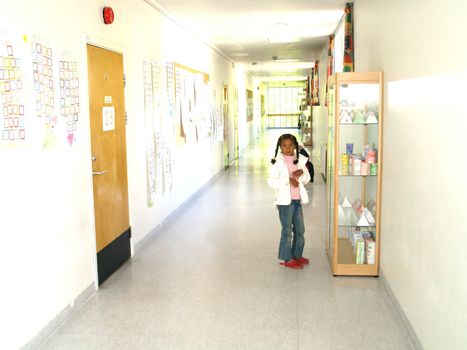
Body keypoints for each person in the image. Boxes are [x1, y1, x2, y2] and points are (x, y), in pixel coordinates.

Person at [268, 134, 311, 269]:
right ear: (280, 147)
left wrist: (301, 173)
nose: (288, 148)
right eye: (284, 146)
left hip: (297, 200)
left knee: (300, 229)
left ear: (295, 146)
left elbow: (307, 179)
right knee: (287, 231)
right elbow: (271, 182)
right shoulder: (278, 163)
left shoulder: (300, 160)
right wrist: (287, 180)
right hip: (285, 203)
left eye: (291, 145)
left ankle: (297, 255)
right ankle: (287, 258)